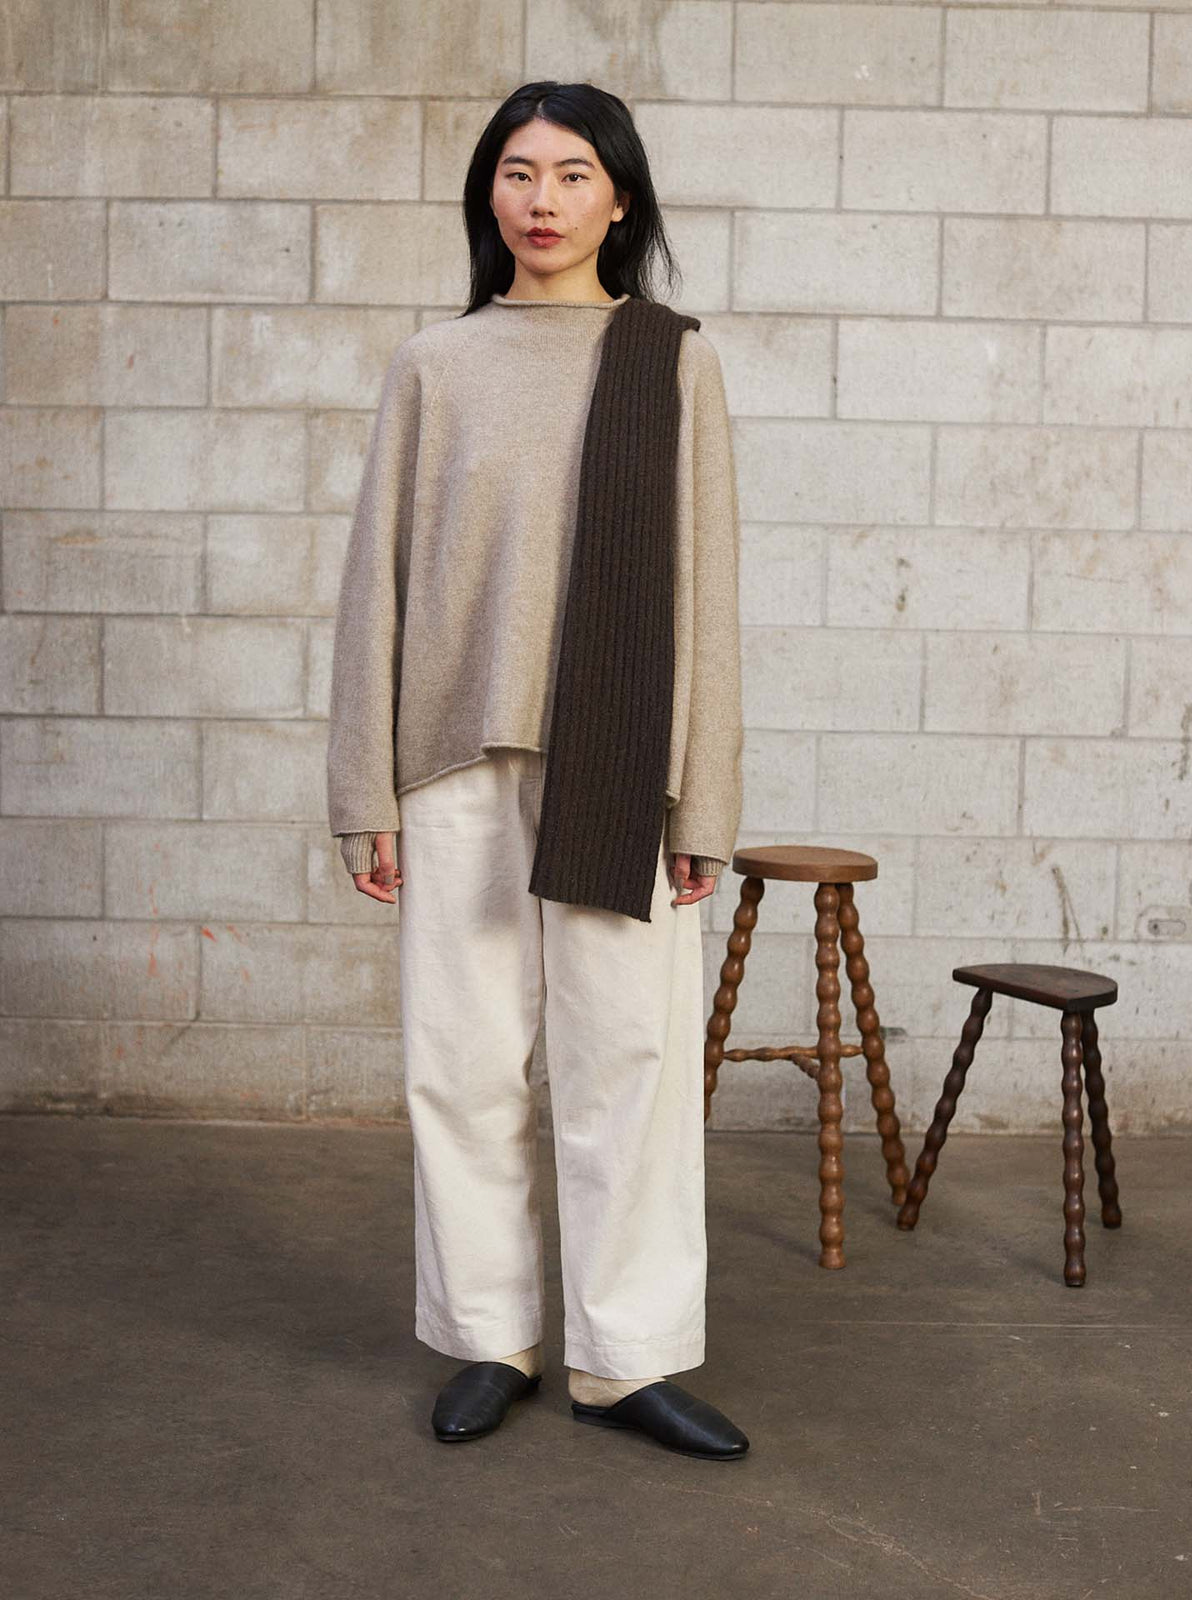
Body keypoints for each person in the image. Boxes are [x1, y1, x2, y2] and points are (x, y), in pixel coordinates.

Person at [326, 81, 747, 1461]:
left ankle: (623, 1360)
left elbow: (707, 597)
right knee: (461, 1065)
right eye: (519, 171)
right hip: (454, 759)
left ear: (619, 199)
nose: (544, 198)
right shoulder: (435, 365)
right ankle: (487, 1336)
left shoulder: (670, 360)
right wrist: (361, 789)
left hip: (621, 758)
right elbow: (374, 588)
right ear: (488, 194)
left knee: (629, 1056)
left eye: (574, 174)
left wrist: (707, 801)